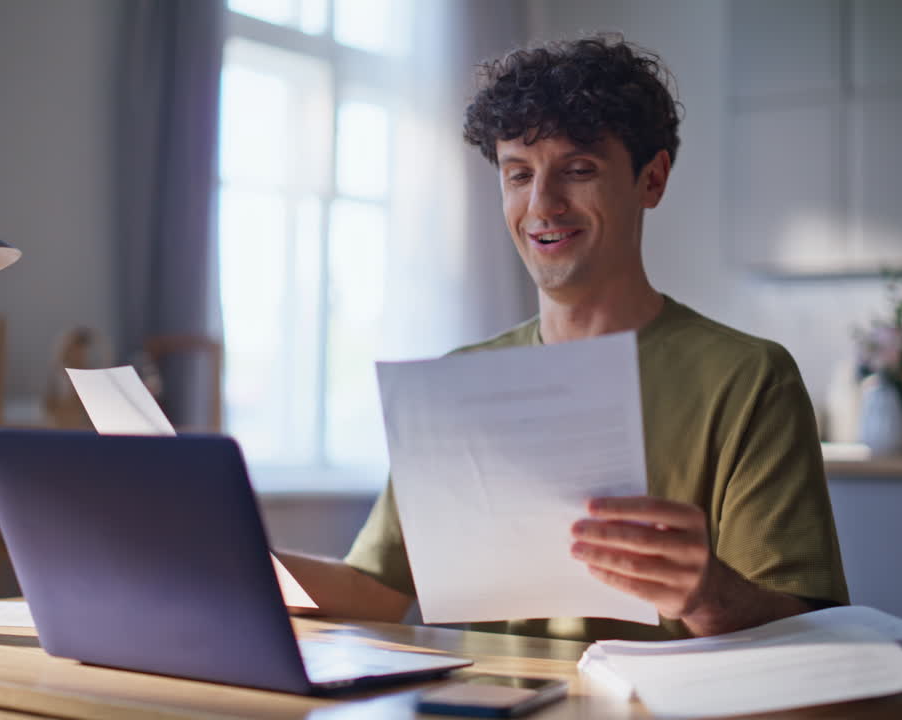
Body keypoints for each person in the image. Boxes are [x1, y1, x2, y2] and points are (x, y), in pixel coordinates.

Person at [277, 35, 847, 642]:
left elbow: (806, 634)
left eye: (578, 170)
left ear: (651, 180)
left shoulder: (749, 379)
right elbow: (375, 589)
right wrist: (223, 558)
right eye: (518, 174)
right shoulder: (459, 382)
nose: (541, 205)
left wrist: (707, 594)